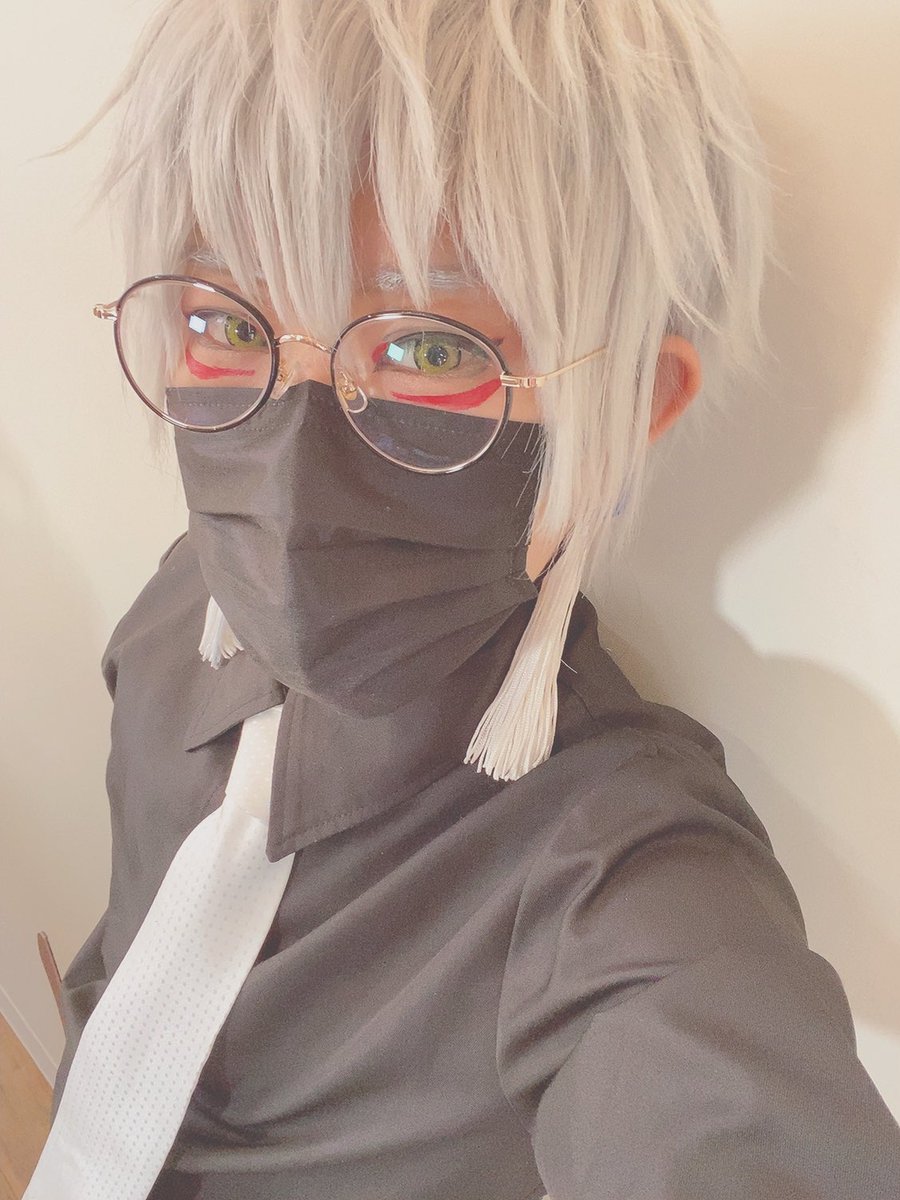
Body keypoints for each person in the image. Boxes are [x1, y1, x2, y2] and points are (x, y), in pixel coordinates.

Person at [27, 1, 900, 1198]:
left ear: (630, 404)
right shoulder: (174, 615)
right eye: (228, 320)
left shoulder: (620, 874)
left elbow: (724, 1111)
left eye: (430, 347)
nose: (289, 472)